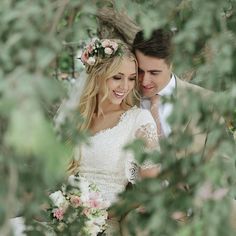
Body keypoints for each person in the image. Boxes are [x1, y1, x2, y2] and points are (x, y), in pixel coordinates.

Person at [68, 38, 160, 235]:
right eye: (117, 77)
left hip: (100, 223)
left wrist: (102, 213)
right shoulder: (77, 118)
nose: (125, 86)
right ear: (99, 75)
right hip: (65, 214)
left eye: (131, 78)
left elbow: (151, 186)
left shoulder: (138, 120)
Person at [132, 28, 221, 157]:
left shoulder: (208, 101)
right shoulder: (121, 100)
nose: (145, 81)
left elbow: (221, 162)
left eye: (154, 73)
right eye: (140, 71)